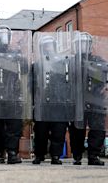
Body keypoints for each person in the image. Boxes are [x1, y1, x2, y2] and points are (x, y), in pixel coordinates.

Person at [0, 25, 32, 164]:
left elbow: (25, 69)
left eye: (6, 35)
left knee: (14, 127)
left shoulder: (15, 55)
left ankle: (12, 152)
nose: (3, 38)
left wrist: (21, 53)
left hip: (13, 96)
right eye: (0, 35)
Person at [32, 35, 75, 165]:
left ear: (54, 47)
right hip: (42, 104)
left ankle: (55, 155)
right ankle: (39, 155)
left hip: (59, 103)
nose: (47, 48)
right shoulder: (37, 65)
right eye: (45, 46)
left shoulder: (64, 63)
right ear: (41, 48)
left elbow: (70, 82)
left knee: (59, 131)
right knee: (40, 132)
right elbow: (31, 84)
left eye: (50, 45)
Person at [69, 32, 106, 166]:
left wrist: (106, 84)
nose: (83, 46)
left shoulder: (99, 61)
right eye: (80, 44)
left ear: (90, 45)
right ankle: (77, 155)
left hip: (96, 100)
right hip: (77, 100)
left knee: (97, 128)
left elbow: (105, 74)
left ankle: (93, 155)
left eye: (85, 44)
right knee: (77, 129)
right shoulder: (71, 61)